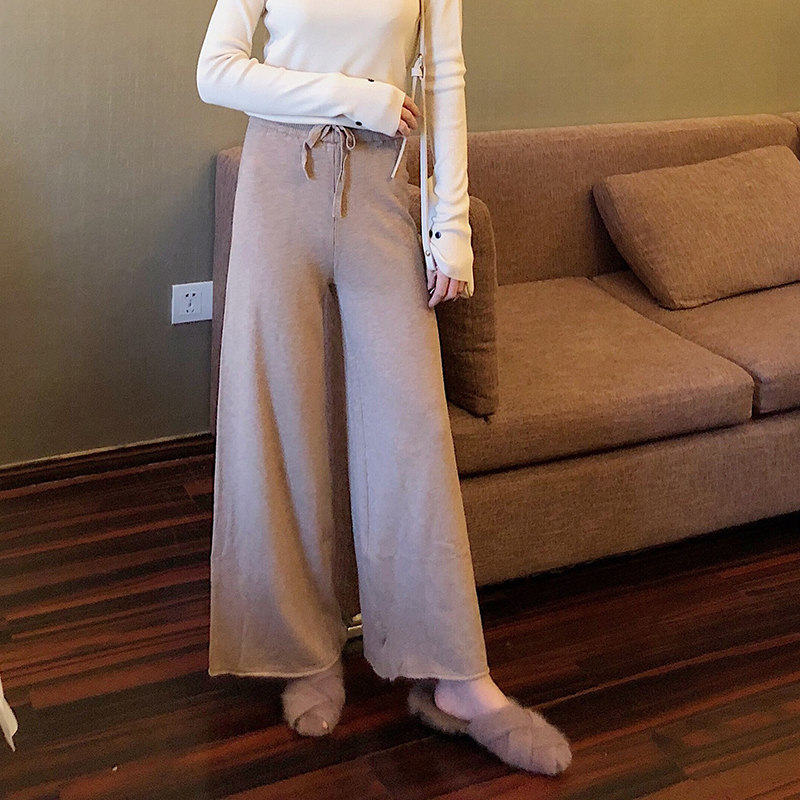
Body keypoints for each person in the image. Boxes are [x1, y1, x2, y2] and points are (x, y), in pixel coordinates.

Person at [196, 0, 572, 776]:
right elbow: (217, 71)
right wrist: (354, 96)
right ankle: (304, 650)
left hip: (380, 183)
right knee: (282, 419)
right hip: (277, 181)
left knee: (411, 432)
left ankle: (460, 677)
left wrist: (450, 228)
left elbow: (447, 78)